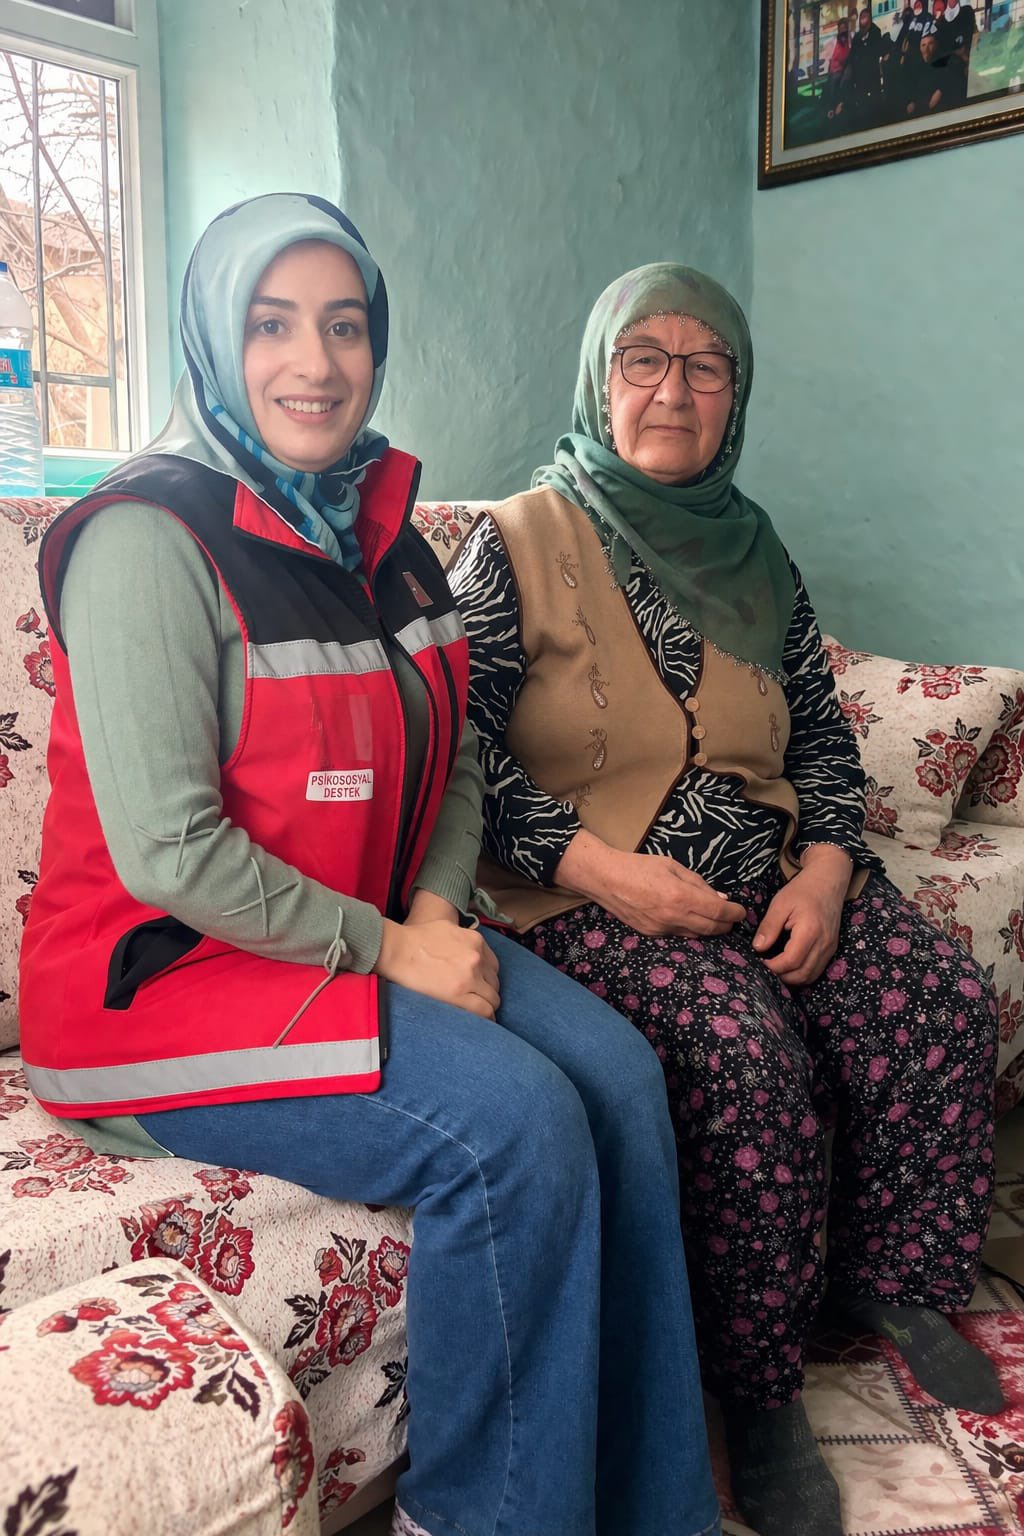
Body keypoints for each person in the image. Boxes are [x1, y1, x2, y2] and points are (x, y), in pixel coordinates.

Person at [18, 200, 722, 1536]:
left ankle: (653, 1511)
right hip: (159, 983)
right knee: (514, 1126)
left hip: (359, 934)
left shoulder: (387, 537)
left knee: (625, 1077)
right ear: (213, 340)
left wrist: (440, 913)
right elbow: (170, 852)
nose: (316, 361)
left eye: (345, 327)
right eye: (271, 324)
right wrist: (397, 949)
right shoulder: (142, 539)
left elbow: (453, 759)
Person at [449, 263, 1004, 1536]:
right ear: (599, 381)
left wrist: (826, 868)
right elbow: (460, 757)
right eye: (642, 359)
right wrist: (600, 871)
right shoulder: (517, 538)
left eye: (706, 367)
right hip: (586, 892)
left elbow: (820, 738)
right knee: (741, 1058)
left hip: (767, 867)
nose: (673, 389)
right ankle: (755, 1391)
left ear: (734, 399)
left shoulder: (757, 548)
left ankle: (894, 1279)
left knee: (935, 1000)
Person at [847, 6, 886, 127]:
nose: (863, 19)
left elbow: (877, 49)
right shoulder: (857, 36)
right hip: (860, 72)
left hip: (872, 68)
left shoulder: (875, 31)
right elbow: (853, 53)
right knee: (862, 98)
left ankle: (878, 118)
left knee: (875, 97)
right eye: (862, 17)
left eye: (865, 16)